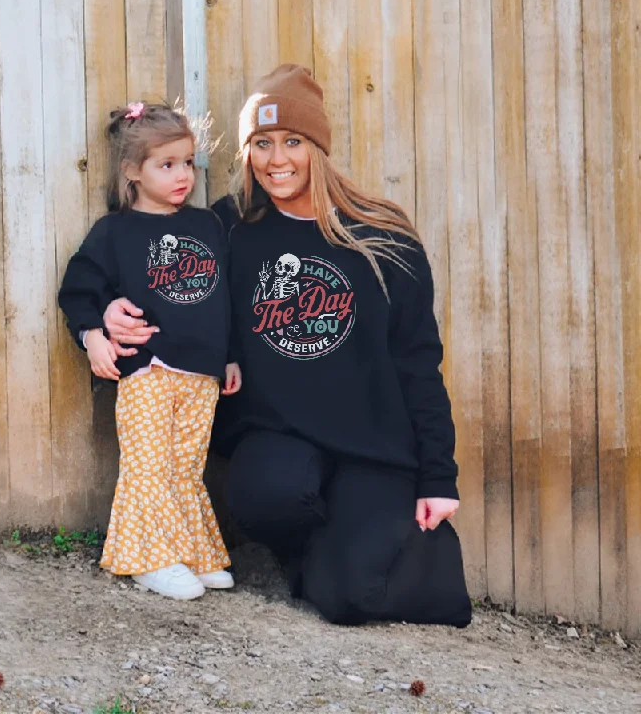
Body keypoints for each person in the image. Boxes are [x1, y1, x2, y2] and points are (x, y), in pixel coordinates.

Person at [102, 66, 472, 627]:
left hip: (370, 449)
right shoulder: (227, 226)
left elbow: (418, 362)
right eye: (262, 143)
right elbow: (146, 262)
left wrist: (438, 476)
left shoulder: (382, 239)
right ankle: (315, 552)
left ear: (317, 147)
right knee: (263, 495)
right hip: (277, 440)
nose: (277, 159)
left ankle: (366, 553)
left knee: (353, 598)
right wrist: (101, 315)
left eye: (293, 142)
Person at [58, 102, 241, 601]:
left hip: (201, 373)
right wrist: (93, 334)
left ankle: (193, 553)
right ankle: (150, 559)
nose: (182, 175)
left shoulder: (207, 226)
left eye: (188, 162)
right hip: (148, 370)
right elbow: (78, 289)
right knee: (148, 466)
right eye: (167, 165)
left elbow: (225, 299)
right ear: (133, 172)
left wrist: (229, 355)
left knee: (185, 467)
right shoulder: (114, 233)